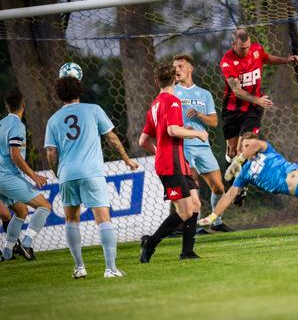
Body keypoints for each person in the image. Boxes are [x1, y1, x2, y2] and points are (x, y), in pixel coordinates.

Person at [45, 77, 138, 278]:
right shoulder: (93, 109)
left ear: (59, 94)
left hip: (67, 174)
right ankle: (110, 269)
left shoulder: (53, 120)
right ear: (80, 89)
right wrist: (127, 159)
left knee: (71, 219)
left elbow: (51, 153)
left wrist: (58, 173)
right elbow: (111, 137)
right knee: (103, 219)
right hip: (91, 172)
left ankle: (79, 267)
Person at [198, 133, 298, 225]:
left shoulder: (266, 149)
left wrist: (239, 159)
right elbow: (230, 194)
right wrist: (213, 216)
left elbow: (256, 145)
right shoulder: (244, 173)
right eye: (244, 146)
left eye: (250, 145)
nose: (248, 148)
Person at [220, 28, 298, 205]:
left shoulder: (256, 50)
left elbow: (267, 58)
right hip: (232, 109)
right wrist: (257, 99)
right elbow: (236, 90)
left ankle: (240, 187)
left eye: (248, 47)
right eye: (242, 49)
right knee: (232, 151)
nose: (246, 51)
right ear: (234, 45)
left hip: (253, 108)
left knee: (245, 147)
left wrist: (286, 60)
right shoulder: (227, 62)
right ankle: (232, 176)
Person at [138, 62, 208, 263]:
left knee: (194, 205)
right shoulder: (173, 101)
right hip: (171, 165)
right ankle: (150, 243)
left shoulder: (155, 105)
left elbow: (143, 141)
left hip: (176, 162)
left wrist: (159, 151)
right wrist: (197, 133)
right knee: (184, 211)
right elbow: (173, 131)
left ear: (156, 81)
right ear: (176, 78)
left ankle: (187, 252)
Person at [173, 54, 233, 232]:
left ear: (190, 68)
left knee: (218, 187)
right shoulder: (171, 91)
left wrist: (199, 114)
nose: (177, 69)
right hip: (183, 145)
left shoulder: (204, 94)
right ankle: (195, 225)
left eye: (181, 66)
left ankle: (216, 221)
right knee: (192, 184)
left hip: (203, 145)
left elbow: (214, 122)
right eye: (174, 67)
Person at [0, 88, 52, 261]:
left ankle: (8, 252)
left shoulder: (1, 124)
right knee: (44, 206)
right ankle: (27, 243)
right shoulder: (17, 126)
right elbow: (15, 155)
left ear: (7, 106)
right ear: (23, 105)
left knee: (21, 211)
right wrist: (33, 176)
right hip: (6, 177)